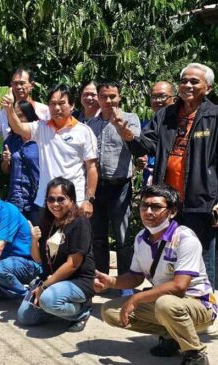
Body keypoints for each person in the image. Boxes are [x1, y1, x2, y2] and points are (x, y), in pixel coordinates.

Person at [121, 63, 218, 288]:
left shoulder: (214, 117)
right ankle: (168, 305)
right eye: (184, 81)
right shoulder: (166, 114)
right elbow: (147, 144)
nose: (187, 85)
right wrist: (128, 136)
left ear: (209, 88)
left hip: (201, 200)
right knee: (167, 251)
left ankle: (204, 307)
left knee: (201, 255)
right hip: (168, 200)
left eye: (194, 81)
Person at [97, 184, 216, 365]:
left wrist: (136, 299)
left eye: (156, 207)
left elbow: (179, 286)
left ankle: (195, 354)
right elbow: (136, 277)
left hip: (200, 305)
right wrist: (112, 281)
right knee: (110, 311)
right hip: (168, 304)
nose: (148, 211)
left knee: (165, 304)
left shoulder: (185, 238)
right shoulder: (140, 238)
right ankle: (171, 336)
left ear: (172, 212)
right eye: (144, 206)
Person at [6, 84, 99, 217]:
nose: (56, 108)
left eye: (61, 103)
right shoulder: (41, 127)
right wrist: (9, 109)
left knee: (72, 238)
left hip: (73, 202)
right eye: (52, 103)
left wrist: (88, 200)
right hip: (46, 201)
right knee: (44, 238)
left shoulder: (84, 131)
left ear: (72, 105)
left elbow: (92, 168)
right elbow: (19, 128)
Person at [17, 177, 95, 332]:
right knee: (25, 318)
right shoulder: (48, 221)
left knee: (48, 300)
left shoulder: (80, 222)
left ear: (72, 200)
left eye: (61, 199)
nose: (55, 204)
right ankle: (56, 306)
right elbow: (38, 258)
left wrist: (45, 287)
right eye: (51, 199)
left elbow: (73, 264)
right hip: (53, 281)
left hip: (78, 281)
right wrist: (34, 240)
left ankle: (82, 311)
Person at [86, 81, 141, 296]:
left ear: (120, 97)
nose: (108, 101)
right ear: (98, 98)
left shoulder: (131, 119)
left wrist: (120, 125)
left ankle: (125, 283)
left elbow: (136, 142)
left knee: (123, 236)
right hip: (96, 188)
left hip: (120, 187)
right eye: (104, 96)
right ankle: (102, 280)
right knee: (97, 237)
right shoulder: (91, 124)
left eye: (113, 96)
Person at [0, 67, 49, 145]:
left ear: (32, 85)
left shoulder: (44, 110)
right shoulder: (3, 113)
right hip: (10, 156)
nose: (18, 87)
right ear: (11, 85)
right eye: (15, 83)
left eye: (22, 83)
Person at [1, 99, 40, 225]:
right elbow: (5, 170)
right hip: (16, 197)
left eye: (20, 115)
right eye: (13, 115)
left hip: (37, 197)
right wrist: (6, 161)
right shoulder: (10, 141)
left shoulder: (41, 138)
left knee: (38, 234)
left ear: (29, 115)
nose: (16, 119)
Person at [137, 81, 177, 186]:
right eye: (153, 97)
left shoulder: (181, 123)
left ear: (175, 98)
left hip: (173, 182)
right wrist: (139, 160)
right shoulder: (145, 124)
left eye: (162, 96)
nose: (157, 101)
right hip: (150, 183)